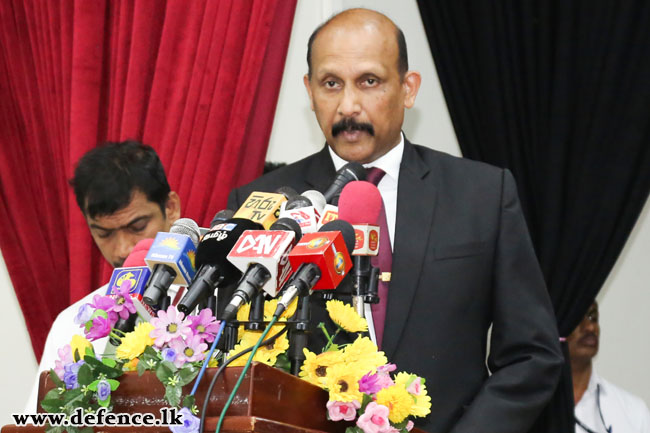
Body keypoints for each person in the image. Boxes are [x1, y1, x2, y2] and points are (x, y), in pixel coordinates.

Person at [227, 8, 563, 433]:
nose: (348, 106)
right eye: (331, 84)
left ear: (408, 88)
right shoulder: (266, 202)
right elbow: (238, 352)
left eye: (369, 82)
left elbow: (532, 355)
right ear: (309, 92)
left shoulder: (482, 195)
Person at [24, 140, 181, 411]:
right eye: (104, 233)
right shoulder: (72, 323)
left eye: (137, 226)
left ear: (171, 208)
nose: (122, 249)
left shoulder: (218, 302)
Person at [569, 301, 650, 433]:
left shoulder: (634, 412)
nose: (590, 327)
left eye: (593, 317)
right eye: (578, 318)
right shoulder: (530, 405)